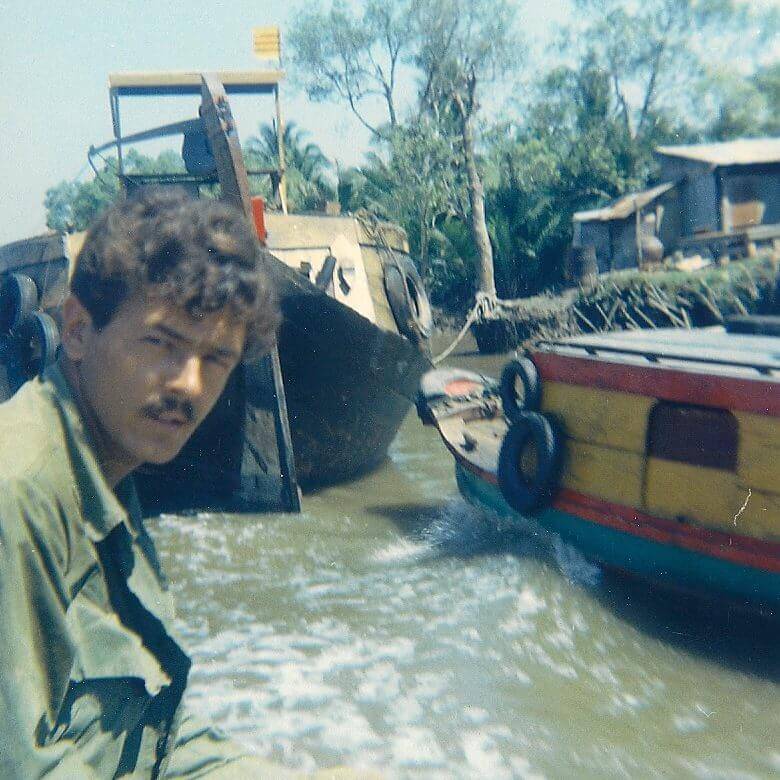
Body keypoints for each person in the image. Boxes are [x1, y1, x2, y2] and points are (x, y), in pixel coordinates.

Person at [0, 188, 366, 778]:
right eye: (161, 343)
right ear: (77, 329)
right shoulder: (18, 494)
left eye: (216, 358)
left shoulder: (105, 466)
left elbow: (145, 736)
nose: (189, 385)